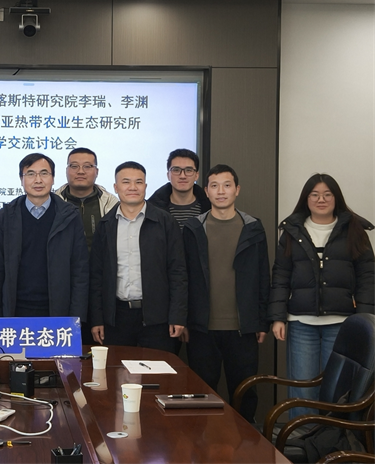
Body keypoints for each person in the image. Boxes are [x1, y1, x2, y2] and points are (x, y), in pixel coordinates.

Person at [268, 173, 375, 418]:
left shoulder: (355, 230)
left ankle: (332, 439)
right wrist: (277, 318)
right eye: (314, 194)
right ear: (306, 199)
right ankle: (302, 437)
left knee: (338, 390)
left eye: (327, 194)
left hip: (342, 324)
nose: (321, 199)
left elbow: (367, 277)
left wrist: (364, 321)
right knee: (302, 389)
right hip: (301, 323)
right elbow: (281, 276)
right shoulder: (292, 231)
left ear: (336, 198)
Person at [182, 164, 270, 422]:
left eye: (227, 185)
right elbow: (184, 277)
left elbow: (263, 276)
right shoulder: (193, 228)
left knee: (245, 392)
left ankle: (244, 441)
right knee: (201, 391)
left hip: (243, 328)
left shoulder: (253, 227)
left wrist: (261, 320)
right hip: (201, 328)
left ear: (237, 190)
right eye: (214, 186)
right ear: (206, 191)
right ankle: (204, 441)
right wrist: (184, 319)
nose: (221, 191)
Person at [88, 161, 186, 352]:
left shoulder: (165, 222)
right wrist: (97, 319)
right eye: (126, 182)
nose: (133, 187)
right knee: (117, 369)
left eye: (138, 182)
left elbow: (178, 272)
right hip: (117, 318)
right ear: (116, 187)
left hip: (158, 318)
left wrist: (178, 316)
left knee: (159, 369)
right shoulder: (106, 225)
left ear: (146, 186)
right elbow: (97, 276)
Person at [0, 153, 88, 319]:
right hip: (15, 310)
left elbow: (79, 271)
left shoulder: (69, 216)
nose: (38, 180)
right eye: (31, 174)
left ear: (53, 178)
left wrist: (77, 317)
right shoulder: (6, 216)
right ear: (21, 179)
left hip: (58, 311)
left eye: (44, 173)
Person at [54, 147, 118, 251]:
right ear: (66, 170)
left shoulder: (111, 204)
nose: (80, 171)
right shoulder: (54, 202)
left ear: (96, 171)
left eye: (87, 166)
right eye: (74, 166)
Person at [149, 148, 211, 230]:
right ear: (168, 175)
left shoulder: (210, 207)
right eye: (176, 170)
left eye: (188, 170)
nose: (182, 176)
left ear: (196, 175)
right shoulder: (152, 209)